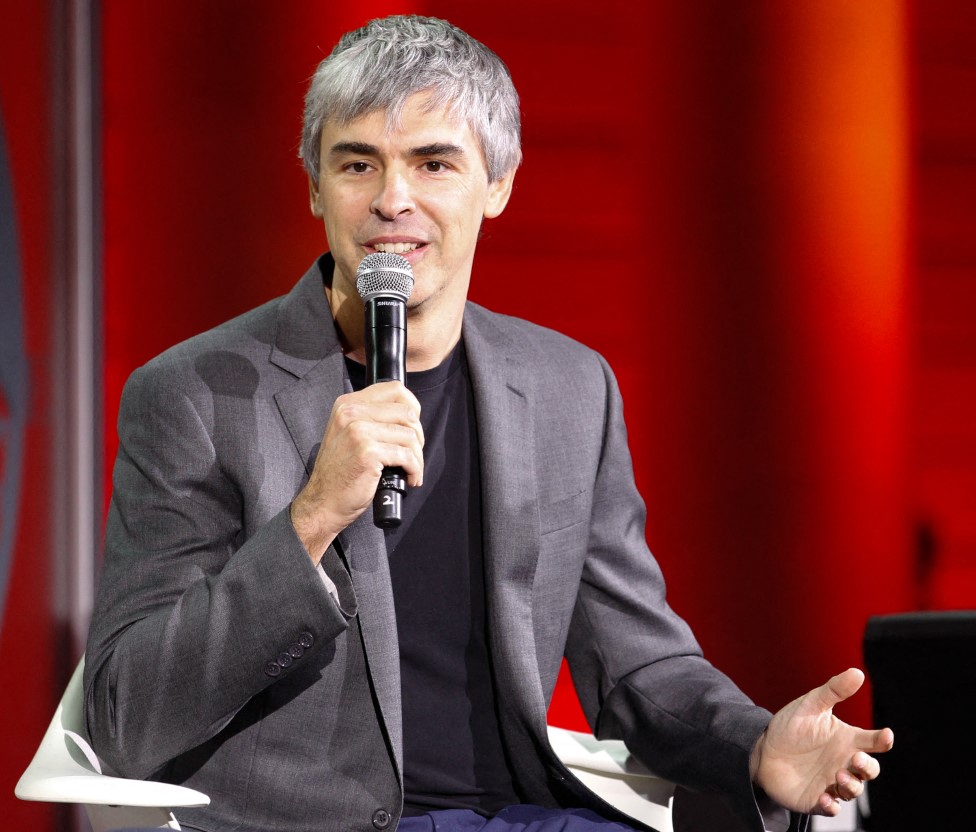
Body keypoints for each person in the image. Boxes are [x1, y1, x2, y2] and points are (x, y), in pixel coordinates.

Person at [83, 15, 892, 832]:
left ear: (497, 185)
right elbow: (124, 715)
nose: (392, 200)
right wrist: (311, 520)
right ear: (316, 187)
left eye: (433, 164)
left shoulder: (570, 389)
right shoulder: (195, 395)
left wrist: (755, 745)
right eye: (358, 164)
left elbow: (637, 665)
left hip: (520, 816)